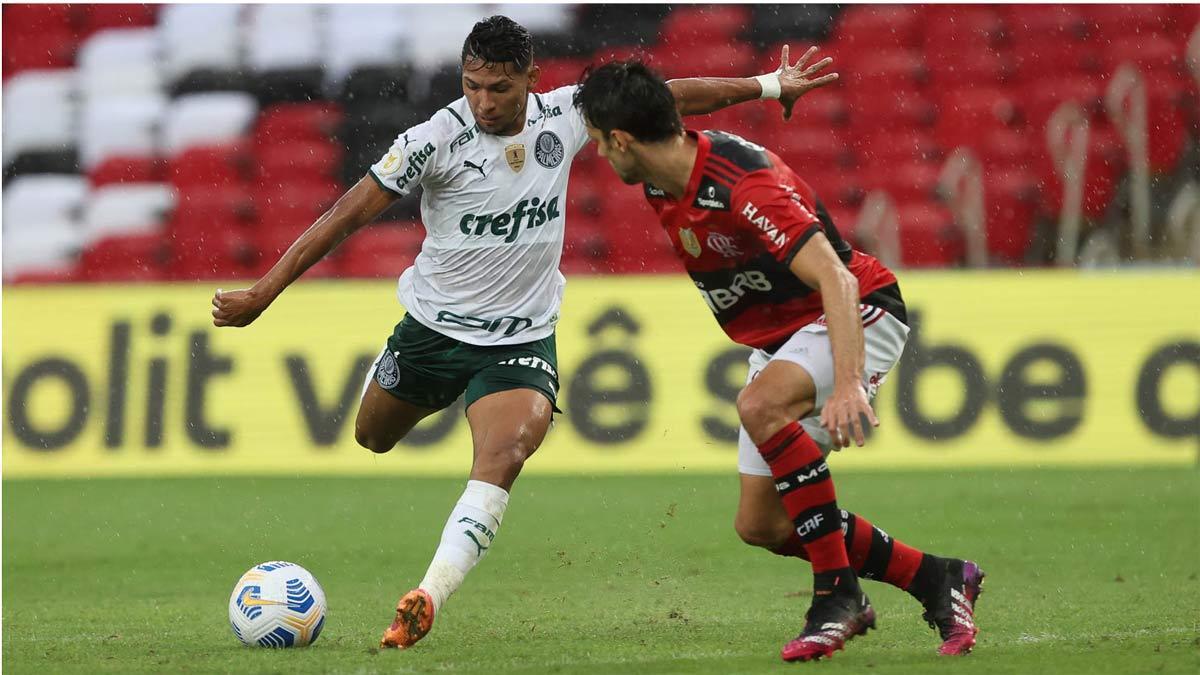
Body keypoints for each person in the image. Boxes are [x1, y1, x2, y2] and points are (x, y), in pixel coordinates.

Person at [210, 16, 838, 650]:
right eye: (473, 85)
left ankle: (427, 595)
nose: (484, 100)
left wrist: (767, 84)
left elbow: (668, 97)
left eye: (501, 88)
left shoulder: (565, 114)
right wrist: (265, 291)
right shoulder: (434, 140)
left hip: (520, 341)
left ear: (531, 80)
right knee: (371, 436)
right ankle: (439, 400)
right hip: (431, 331)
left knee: (503, 456)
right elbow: (347, 214)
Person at [572, 61, 985, 662]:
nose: (600, 155)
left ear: (622, 139)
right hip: (783, 337)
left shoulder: (742, 186)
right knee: (762, 525)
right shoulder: (661, 152)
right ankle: (936, 578)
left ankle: (836, 598)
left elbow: (836, 278)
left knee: (760, 406)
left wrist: (848, 385)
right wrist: (766, 86)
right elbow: (674, 93)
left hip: (854, 310)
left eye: (600, 142)